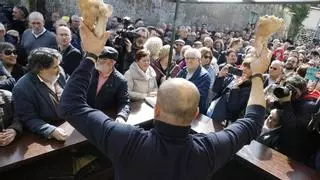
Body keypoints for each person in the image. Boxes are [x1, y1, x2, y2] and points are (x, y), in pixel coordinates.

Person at [58, 19, 268, 179]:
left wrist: (91, 55)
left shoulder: (125, 140)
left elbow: (71, 105)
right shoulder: (210, 150)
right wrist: (258, 74)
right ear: (195, 113)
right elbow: (253, 122)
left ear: (156, 110)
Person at [12, 48, 68, 140]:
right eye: (55, 67)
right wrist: (51, 131)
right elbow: (28, 118)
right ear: (41, 69)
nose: (59, 69)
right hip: (44, 140)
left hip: (69, 126)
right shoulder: (22, 88)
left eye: (59, 65)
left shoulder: (60, 73)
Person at [87, 46, 130, 123]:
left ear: (111, 63)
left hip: (104, 118)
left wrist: (121, 116)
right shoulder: (90, 72)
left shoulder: (120, 81)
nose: (97, 61)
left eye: (102, 59)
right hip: (85, 114)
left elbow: (124, 102)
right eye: (97, 58)